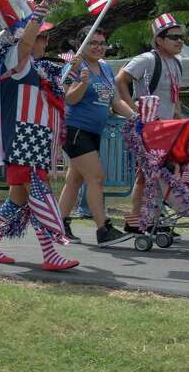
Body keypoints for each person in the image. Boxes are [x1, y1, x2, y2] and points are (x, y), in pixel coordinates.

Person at [0, 0, 78, 271]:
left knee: (20, 196)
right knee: (37, 191)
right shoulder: (12, 58)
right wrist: (38, 12)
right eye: (42, 35)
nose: (46, 40)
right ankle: (50, 254)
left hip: (32, 137)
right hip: (22, 137)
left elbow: (62, 91)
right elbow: (24, 42)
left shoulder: (34, 66)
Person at [56, 27, 135, 245]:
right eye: (93, 43)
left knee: (75, 180)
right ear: (81, 45)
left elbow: (116, 101)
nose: (99, 47)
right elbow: (70, 99)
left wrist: (136, 117)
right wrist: (82, 82)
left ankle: (58, 225)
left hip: (94, 132)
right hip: (75, 130)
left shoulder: (106, 69)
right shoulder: (76, 65)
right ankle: (103, 229)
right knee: (96, 177)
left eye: (102, 43)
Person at [115, 13, 185, 232]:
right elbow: (120, 79)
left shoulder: (176, 63)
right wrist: (133, 110)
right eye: (174, 37)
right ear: (159, 40)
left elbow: (174, 96)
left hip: (167, 129)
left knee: (146, 176)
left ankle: (138, 221)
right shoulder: (147, 59)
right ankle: (145, 220)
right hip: (148, 128)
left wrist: (179, 119)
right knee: (150, 174)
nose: (179, 41)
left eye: (181, 37)